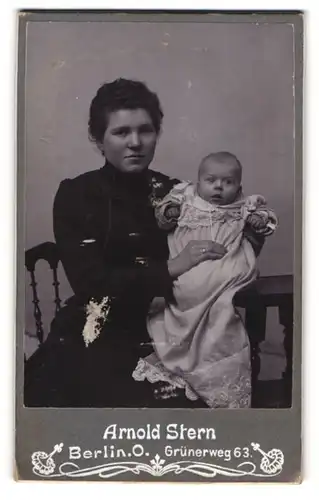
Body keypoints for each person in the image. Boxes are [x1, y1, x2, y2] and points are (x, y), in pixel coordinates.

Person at [24, 79, 264, 408]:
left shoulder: (179, 193)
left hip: (173, 326)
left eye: (145, 130)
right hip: (98, 328)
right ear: (98, 139)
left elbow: (220, 254)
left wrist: (249, 236)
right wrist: (173, 266)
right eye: (121, 132)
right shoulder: (78, 194)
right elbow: (90, 281)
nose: (135, 142)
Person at [132, 152, 278, 408]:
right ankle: (186, 349)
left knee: (224, 292)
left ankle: (217, 370)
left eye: (228, 182)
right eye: (211, 180)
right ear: (198, 181)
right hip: (191, 261)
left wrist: (258, 220)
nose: (219, 187)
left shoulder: (243, 205)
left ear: (239, 186)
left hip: (227, 259)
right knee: (188, 286)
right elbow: (162, 217)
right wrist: (170, 212)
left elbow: (267, 221)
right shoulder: (185, 196)